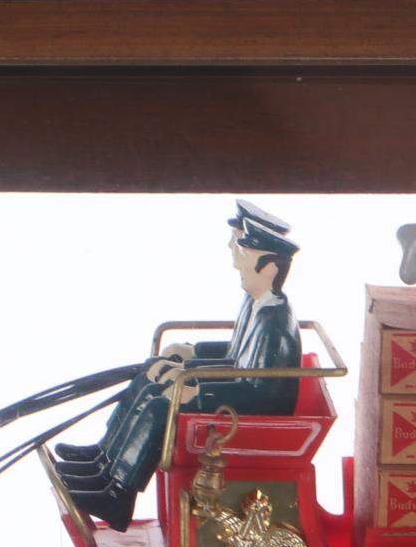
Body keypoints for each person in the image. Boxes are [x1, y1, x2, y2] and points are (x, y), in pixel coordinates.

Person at [54, 202, 301, 530]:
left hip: (254, 410)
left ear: (268, 268)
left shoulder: (275, 321)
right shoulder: (257, 302)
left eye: (242, 252)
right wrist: (190, 353)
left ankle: (118, 496)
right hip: (241, 393)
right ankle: (104, 463)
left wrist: (195, 388)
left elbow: (267, 393)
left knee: (161, 407)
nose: (234, 258)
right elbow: (237, 356)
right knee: (151, 380)